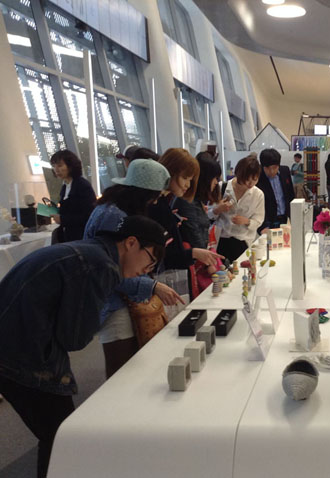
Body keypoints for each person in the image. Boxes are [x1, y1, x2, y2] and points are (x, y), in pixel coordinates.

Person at [0, 215, 168, 478]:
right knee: (62, 437)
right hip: (23, 355)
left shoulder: (89, 251)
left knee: (57, 434)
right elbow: (75, 338)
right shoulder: (101, 266)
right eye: (150, 260)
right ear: (131, 243)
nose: (147, 270)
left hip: (17, 342)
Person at [84, 159, 182, 377]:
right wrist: (152, 286)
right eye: (154, 196)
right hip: (114, 303)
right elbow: (112, 269)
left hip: (117, 299)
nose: (155, 202)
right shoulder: (114, 217)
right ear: (142, 193)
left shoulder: (110, 209)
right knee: (122, 371)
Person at [149, 148, 222, 272]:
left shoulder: (164, 202)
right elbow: (168, 255)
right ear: (170, 172)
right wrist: (194, 253)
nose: (188, 185)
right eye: (185, 178)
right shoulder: (158, 204)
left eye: (190, 180)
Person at [216, 155, 265, 261]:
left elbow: (259, 220)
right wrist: (218, 209)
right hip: (221, 240)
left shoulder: (258, 194)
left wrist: (246, 221)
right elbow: (208, 214)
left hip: (243, 241)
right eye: (247, 179)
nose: (250, 183)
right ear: (239, 174)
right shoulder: (222, 187)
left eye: (255, 179)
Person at [175, 152, 226, 250]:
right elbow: (195, 239)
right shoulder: (187, 201)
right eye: (214, 178)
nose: (216, 182)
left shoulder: (195, 200)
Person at [50, 150, 97, 242]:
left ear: (71, 166)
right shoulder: (65, 186)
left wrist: (63, 219)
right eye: (54, 166)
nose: (56, 169)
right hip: (69, 235)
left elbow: (89, 215)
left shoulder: (82, 185)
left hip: (81, 237)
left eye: (60, 165)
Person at [256, 148, 294, 231]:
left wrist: (293, 216)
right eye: (267, 168)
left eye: (275, 167)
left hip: (285, 218)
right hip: (268, 220)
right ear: (262, 166)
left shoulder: (285, 171)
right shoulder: (258, 177)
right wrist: (263, 226)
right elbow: (257, 204)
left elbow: (290, 194)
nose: (272, 171)